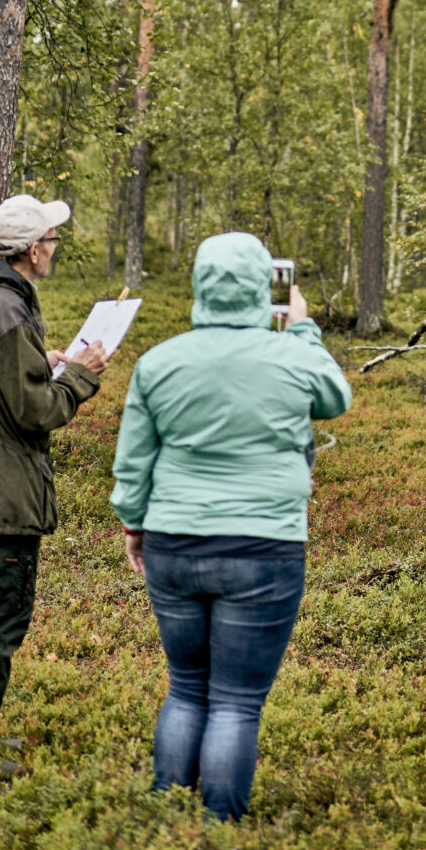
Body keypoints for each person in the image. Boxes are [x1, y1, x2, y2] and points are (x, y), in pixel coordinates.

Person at [111, 232, 352, 820]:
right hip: (263, 547)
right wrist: (301, 328)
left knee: (187, 687)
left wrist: (136, 526)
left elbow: (134, 462)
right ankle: (220, 831)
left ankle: (168, 821)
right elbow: (335, 396)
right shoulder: (292, 355)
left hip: (173, 542)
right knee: (237, 702)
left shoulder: (158, 362)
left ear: (199, 285)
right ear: (259, 287)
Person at [0, 195, 109, 781]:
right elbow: (34, 411)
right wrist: (80, 375)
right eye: (52, 239)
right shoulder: (7, 308)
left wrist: (43, 359)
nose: (55, 247)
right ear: (33, 251)